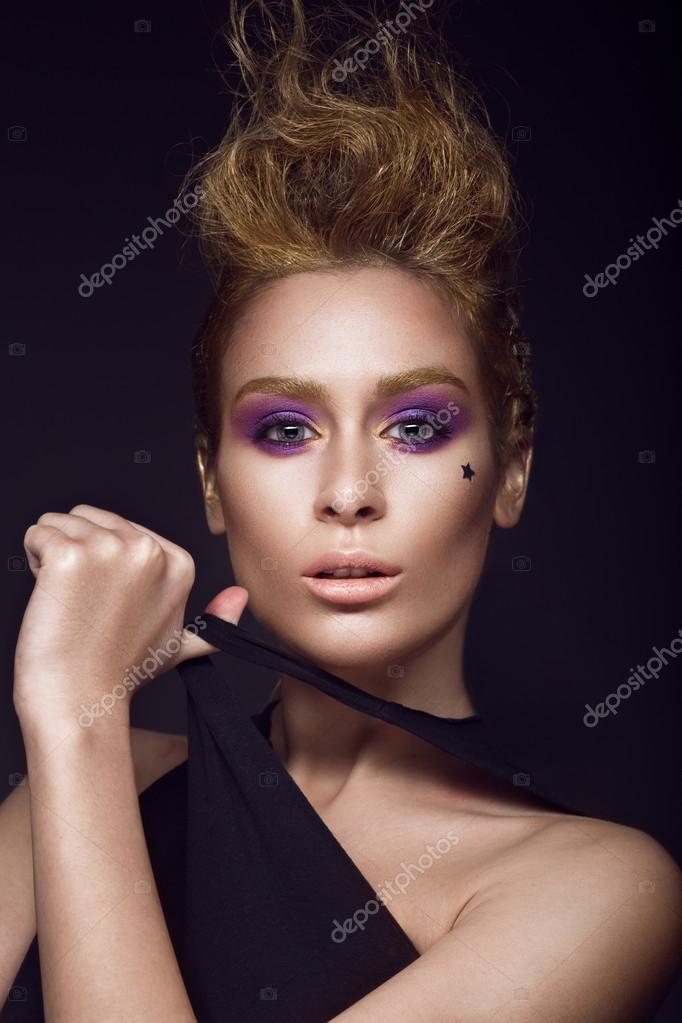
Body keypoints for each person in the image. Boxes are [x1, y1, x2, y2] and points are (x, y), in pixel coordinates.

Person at [2, 1, 681, 1020]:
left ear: (510, 471)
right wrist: (81, 733)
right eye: (283, 430)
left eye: (415, 427)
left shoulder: (596, 889)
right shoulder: (80, 789)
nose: (349, 493)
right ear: (209, 484)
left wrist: (74, 729)